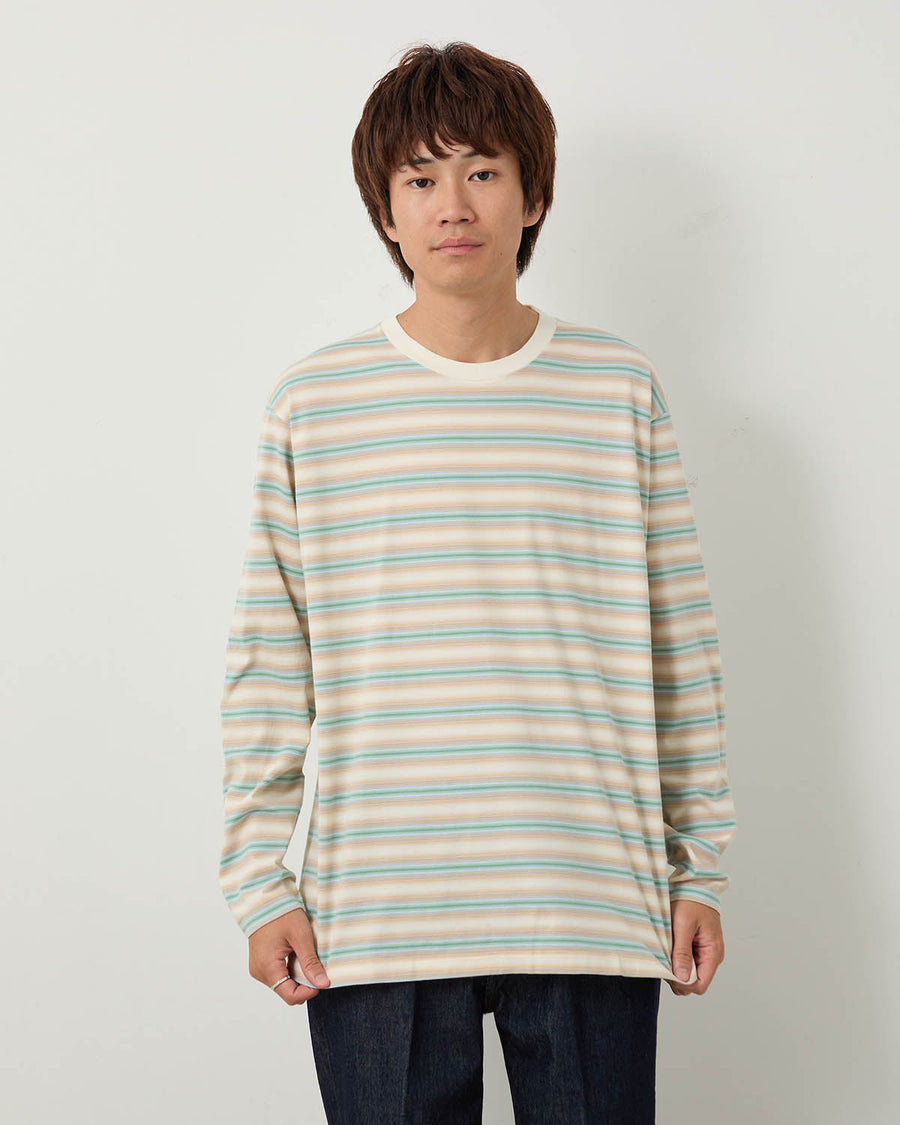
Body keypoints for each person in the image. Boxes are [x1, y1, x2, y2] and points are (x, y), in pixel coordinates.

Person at [218, 40, 737, 1124]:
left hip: (590, 895)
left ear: (532, 194)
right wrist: (261, 885)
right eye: (419, 178)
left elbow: (677, 649)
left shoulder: (617, 390)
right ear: (386, 209)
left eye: (482, 170)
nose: (452, 204)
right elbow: (271, 660)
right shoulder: (316, 406)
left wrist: (697, 870)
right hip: (377, 913)